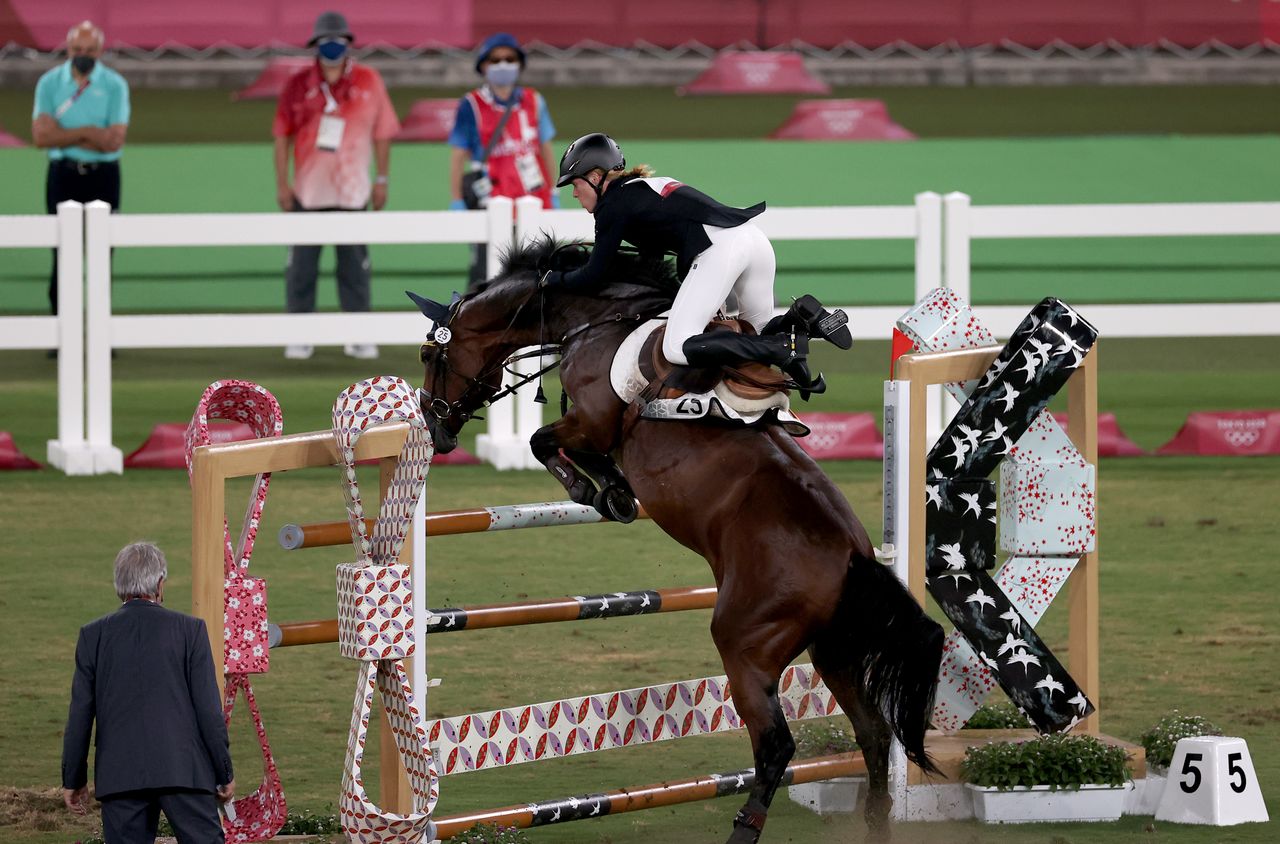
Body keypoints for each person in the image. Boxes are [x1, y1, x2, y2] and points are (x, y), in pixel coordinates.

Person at [541, 132, 852, 397]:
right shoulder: (638, 189)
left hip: (722, 249)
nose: (574, 193)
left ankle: (786, 346)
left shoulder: (612, 205)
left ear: (595, 177)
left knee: (677, 346)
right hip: (753, 240)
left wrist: (550, 280)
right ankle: (800, 318)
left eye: (575, 184)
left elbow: (596, 273)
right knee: (751, 340)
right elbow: (650, 263)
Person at [62, 542, 235, 842]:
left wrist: (73, 779)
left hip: (120, 776)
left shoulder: (93, 636)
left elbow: (79, 716)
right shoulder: (189, 630)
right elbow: (209, 710)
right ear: (159, 583)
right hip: (185, 771)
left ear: (119, 585)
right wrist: (223, 770)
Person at [273, 10, 400, 360]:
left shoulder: (369, 80)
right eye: (326, 41)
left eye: (338, 41)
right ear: (315, 45)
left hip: (353, 190)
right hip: (308, 191)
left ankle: (359, 334)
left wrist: (382, 179)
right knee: (301, 267)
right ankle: (299, 334)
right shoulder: (297, 84)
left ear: (348, 43)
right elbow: (281, 136)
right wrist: (282, 184)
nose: (332, 47)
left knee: (355, 267)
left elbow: (383, 133)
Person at [31, 21, 129, 319]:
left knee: (102, 254)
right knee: (62, 253)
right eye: (77, 49)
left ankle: (101, 328)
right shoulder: (49, 83)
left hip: (104, 176)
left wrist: (66, 133)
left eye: (89, 50)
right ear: (67, 49)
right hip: (63, 174)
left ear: (100, 51)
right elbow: (41, 137)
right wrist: (90, 132)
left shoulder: (114, 85)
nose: (82, 55)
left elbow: (113, 141)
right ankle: (60, 327)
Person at [448, 32, 558, 289]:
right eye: (495, 60)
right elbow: (457, 156)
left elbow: (545, 148)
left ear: (519, 64)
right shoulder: (471, 105)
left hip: (533, 198)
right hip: (491, 200)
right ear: (483, 66)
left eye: (509, 58)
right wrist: (456, 199)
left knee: (538, 272)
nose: (503, 65)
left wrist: (553, 190)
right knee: (486, 273)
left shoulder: (535, 100)